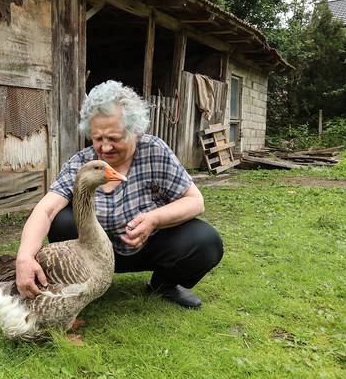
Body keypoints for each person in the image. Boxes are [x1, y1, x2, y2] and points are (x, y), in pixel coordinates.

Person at [15, 80, 223, 308]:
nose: (105, 148)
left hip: (147, 246)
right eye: (97, 139)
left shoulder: (155, 151)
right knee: (61, 220)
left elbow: (195, 201)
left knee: (205, 241)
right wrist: (25, 255)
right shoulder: (82, 164)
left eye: (114, 138)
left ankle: (164, 285)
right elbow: (46, 209)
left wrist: (154, 219)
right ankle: (82, 286)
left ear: (134, 131)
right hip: (92, 255)